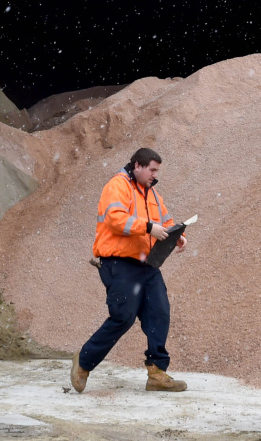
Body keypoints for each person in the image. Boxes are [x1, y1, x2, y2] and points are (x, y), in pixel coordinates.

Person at [70, 147, 188, 393]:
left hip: (147, 264)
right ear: (137, 166)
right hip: (119, 263)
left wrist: (178, 235)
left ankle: (157, 373)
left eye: (156, 171)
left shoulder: (152, 192)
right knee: (123, 317)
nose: (155, 175)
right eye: (152, 170)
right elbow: (115, 218)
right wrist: (148, 228)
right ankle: (83, 362)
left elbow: (165, 221)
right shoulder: (117, 185)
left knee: (159, 313)